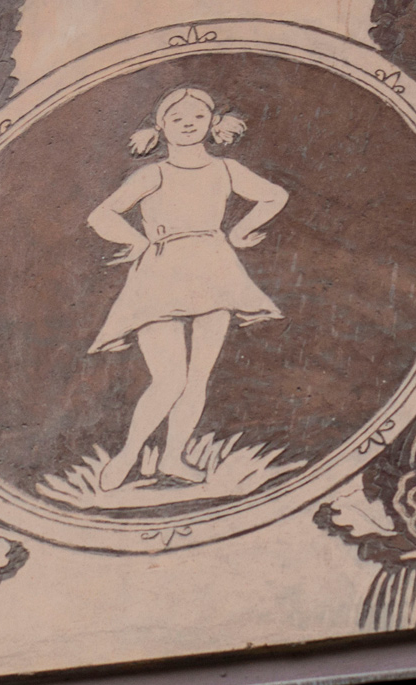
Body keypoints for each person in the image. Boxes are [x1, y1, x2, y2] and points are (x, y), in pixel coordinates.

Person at [86, 85, 288, 491]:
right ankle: (129, 455)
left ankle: (173, 457)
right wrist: (137, 242)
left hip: (214, 269)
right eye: (177, 118)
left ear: (213, 123)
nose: (188, 124)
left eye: (197, 117)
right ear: (161, 127)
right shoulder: (154, 173)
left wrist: (240, 232)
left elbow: (275, 195)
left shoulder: (226, 169)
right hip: (161, 274)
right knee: (169, 379)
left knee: (197, 379)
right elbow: (101, 215)